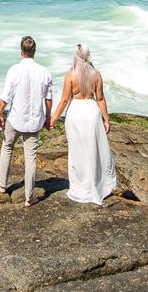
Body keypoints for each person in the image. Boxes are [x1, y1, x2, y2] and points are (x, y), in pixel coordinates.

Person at [48, 43, 118, 205]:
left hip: (76, 114)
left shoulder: (71, 75)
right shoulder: (96, 74)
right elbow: (100, 98)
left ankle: (79, 189)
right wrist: (106, 119)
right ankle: (96, 186)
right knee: (94, 151)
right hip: (92, 112)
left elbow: (65, 100)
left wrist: (53, 118)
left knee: (77, 151)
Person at [0, 35, 53, 206]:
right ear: (34, 52)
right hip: (34, 121)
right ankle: (29, 197)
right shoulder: (44, 72)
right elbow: (48, 98)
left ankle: (2, 184)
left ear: (21, 52)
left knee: (7, 148)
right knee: (31, 158)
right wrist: (48, 118)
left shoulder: (14, 70)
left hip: (15, 118)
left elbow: (6, 96)